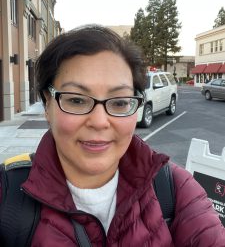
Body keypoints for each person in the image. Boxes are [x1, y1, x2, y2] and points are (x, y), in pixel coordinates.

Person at [1, 25, 225, 246]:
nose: (99, 122)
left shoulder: (174, 188)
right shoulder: (7, 194)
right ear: (47, 104)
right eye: (77, 100)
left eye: (119, 102)